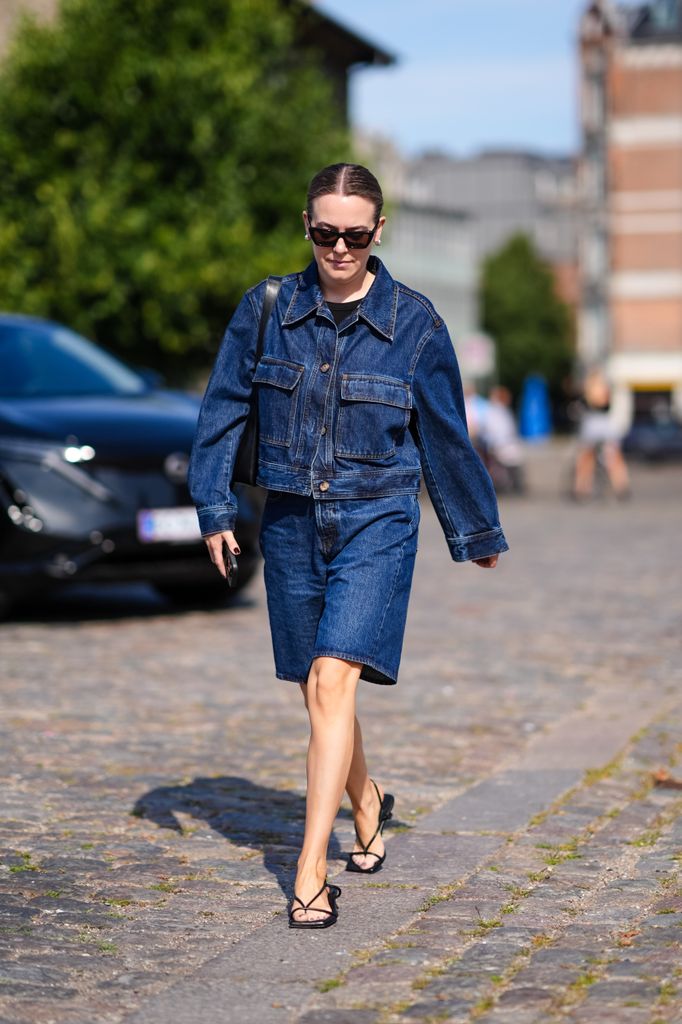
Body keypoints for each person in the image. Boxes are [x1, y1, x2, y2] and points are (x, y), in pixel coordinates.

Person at [188, 163, 508, 929]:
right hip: (292, 522)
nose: (339, 247)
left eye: (354, 235)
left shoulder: (418, 325)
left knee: (334, 680)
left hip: (378, 523)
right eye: (326, 232)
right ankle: (365, 799)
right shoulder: (267, 309)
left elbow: (443, 435)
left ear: (378, 231)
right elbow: (223, 409)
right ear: (307, 226)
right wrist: (214, 506)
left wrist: (475, 529)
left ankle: (308, 873)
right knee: (317, 687)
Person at [573, 368, 630, 499]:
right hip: (600, 422)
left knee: (593, 456)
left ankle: (582, 488)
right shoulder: (602, 388)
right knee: (605, 456)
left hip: (595, 422)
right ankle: (620, 486)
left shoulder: (594, 388)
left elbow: (599, 402)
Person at [480, 385, 525, 494]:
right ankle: (512, 483)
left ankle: (514, 483)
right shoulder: (495, 411)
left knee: (513, 455)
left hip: (504, 444)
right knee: (511, 455)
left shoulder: (500, 411)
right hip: (499, 445)